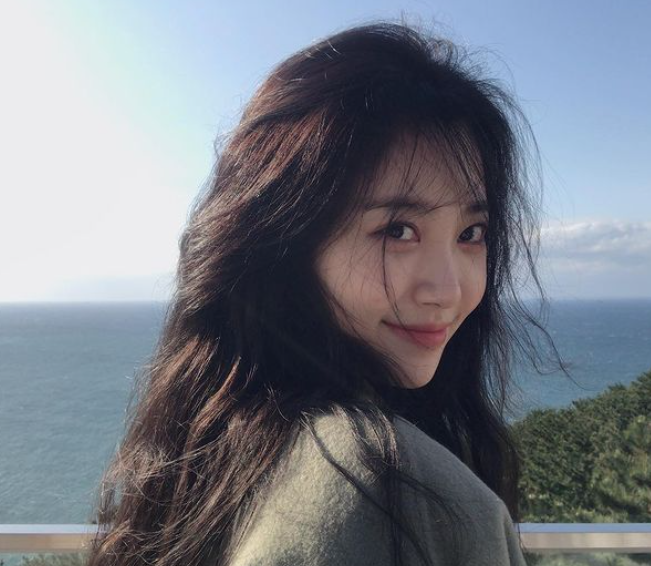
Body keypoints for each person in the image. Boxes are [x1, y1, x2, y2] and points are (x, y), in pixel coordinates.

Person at [86, 22, 554, 566]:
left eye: (471, 234)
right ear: (288, 243)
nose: (447, 291)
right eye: (398, 230)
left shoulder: (224, 437)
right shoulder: (392, 495)